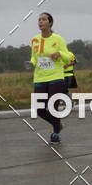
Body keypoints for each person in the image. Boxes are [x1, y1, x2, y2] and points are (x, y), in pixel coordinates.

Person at [31, 12, 73, 143]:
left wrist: (59, 53)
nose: (40, 22)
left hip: (56, 76)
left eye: (43, 19)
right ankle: (57, 124)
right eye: (39, 20)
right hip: (39, 77)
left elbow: (69, 56)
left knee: (53, 106)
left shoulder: (58, 39)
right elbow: (34, 57)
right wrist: (31, 63)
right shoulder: (35, 40)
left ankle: (55, 133)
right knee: (39, 109)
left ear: (50, 23)